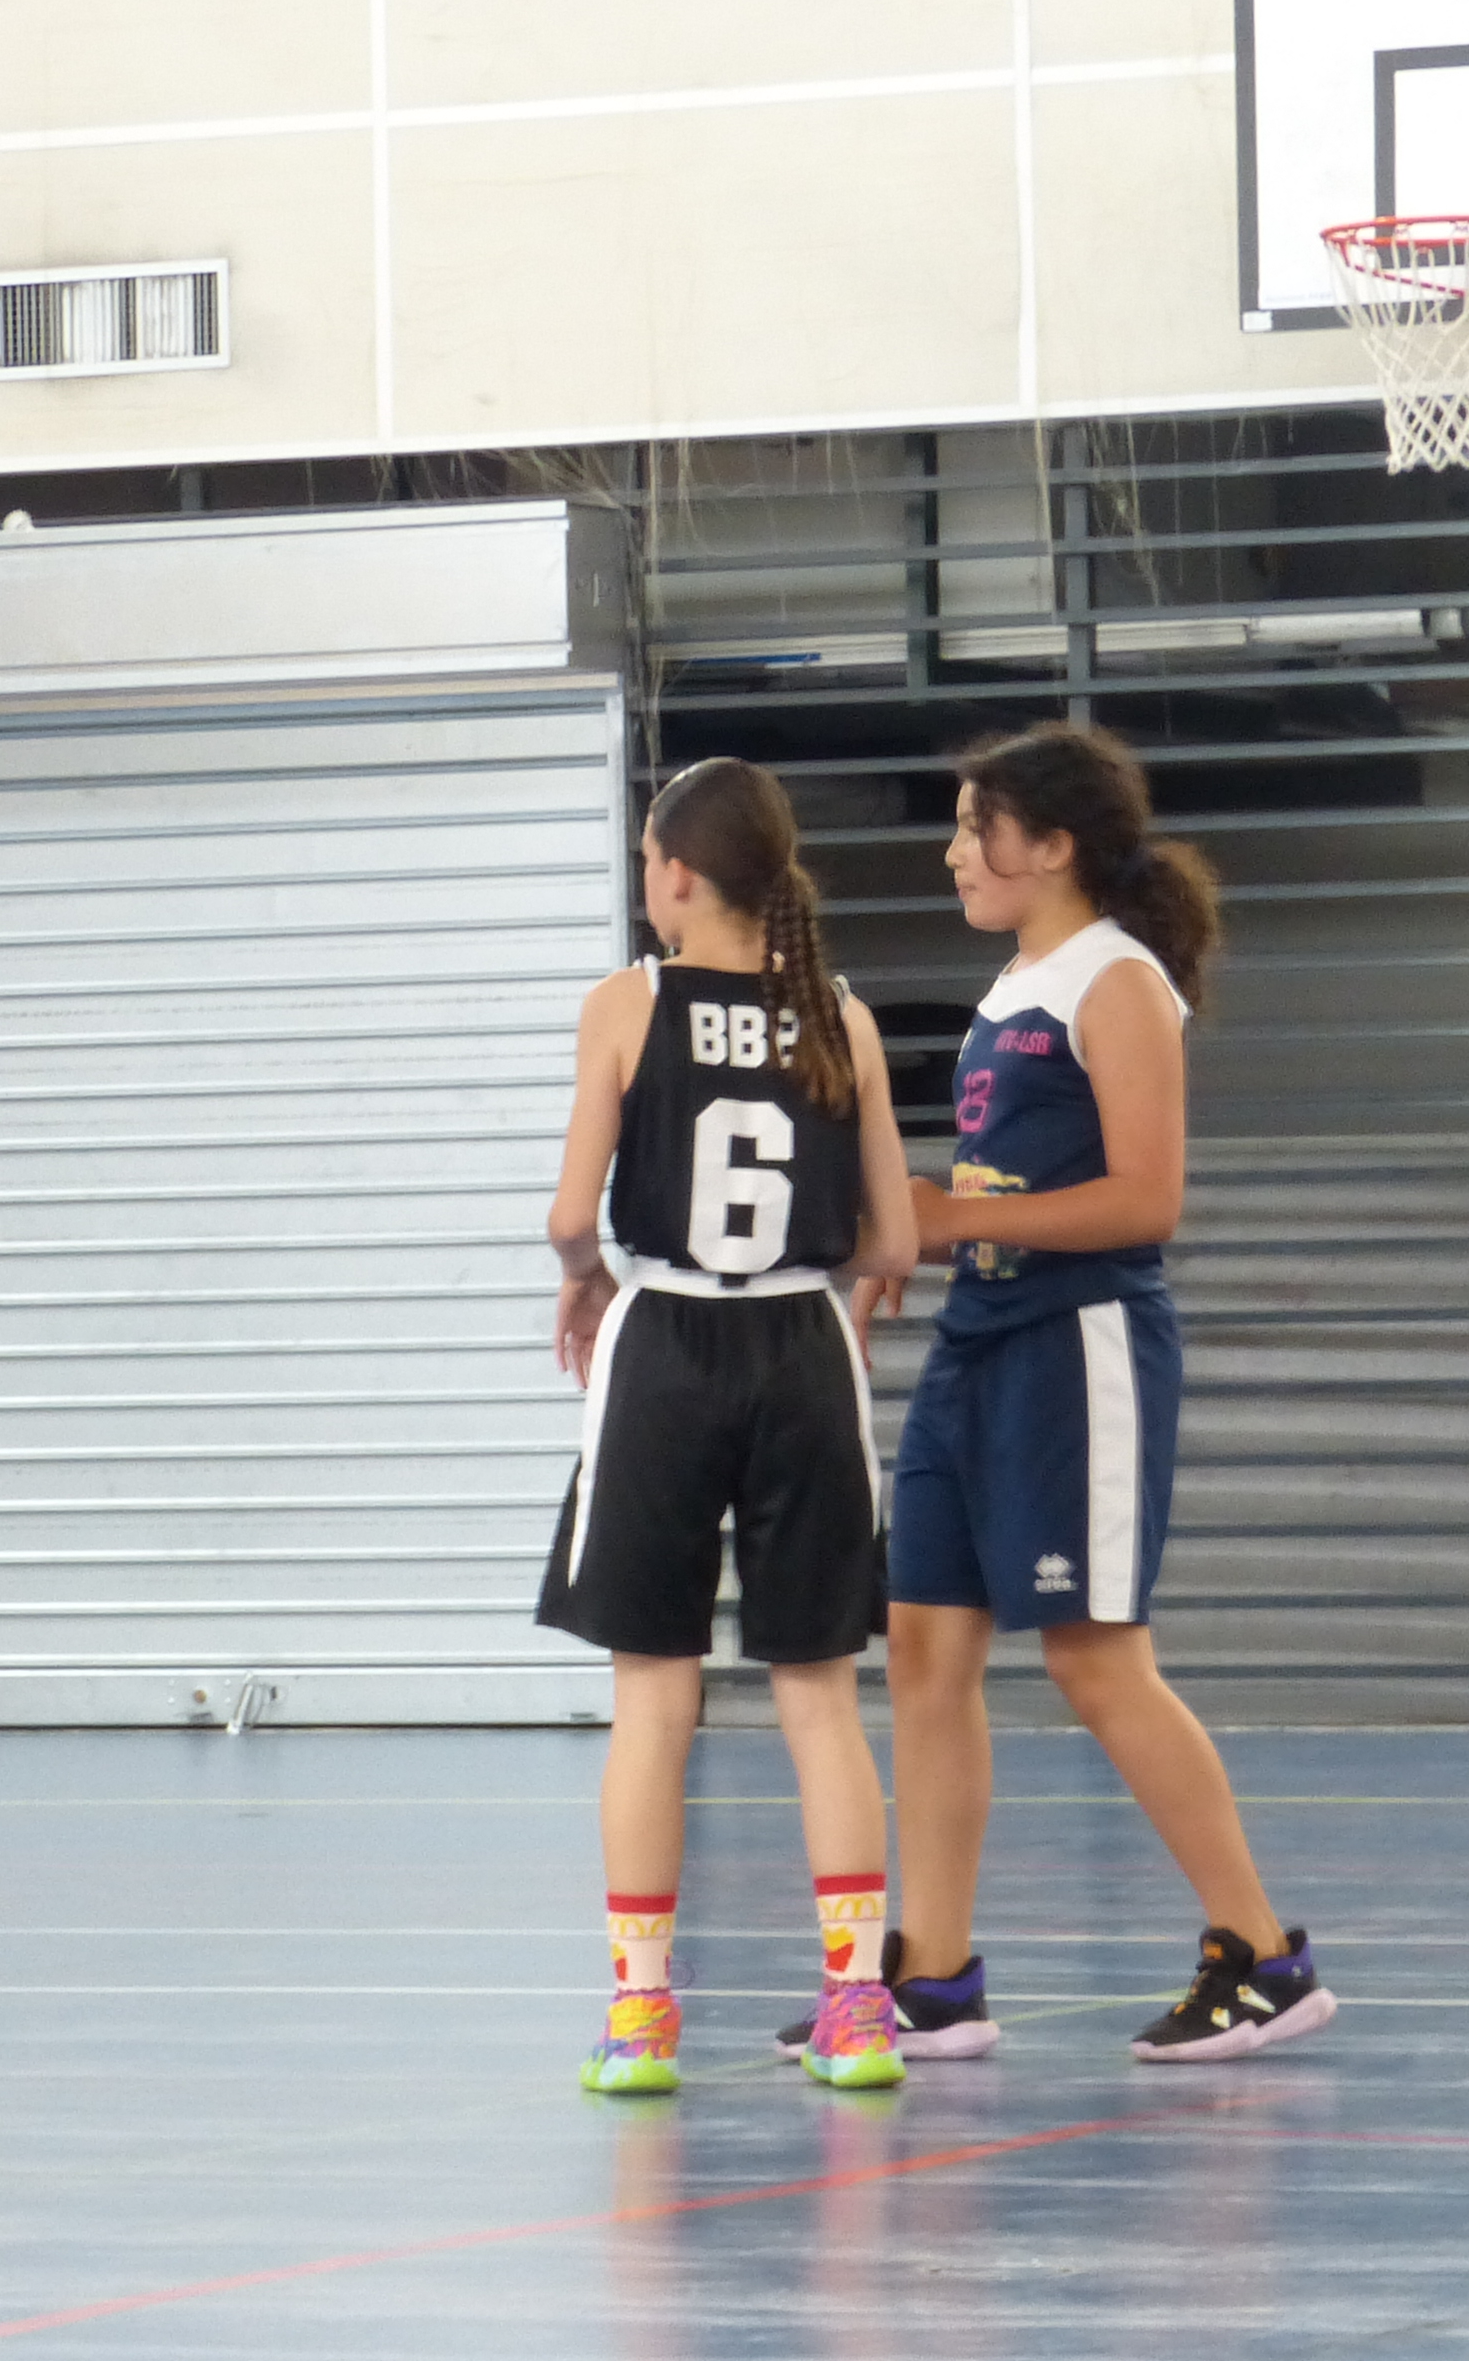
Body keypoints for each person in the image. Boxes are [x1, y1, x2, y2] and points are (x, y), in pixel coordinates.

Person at [831, 721, 1333, 2064]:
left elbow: (1145, 1200)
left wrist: (948, 1215)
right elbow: (1004, 1182)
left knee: (1095, 1658)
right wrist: (920, 1237)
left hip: (1080, 1345)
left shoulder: (1117, 979)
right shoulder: (1017, 984)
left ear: (1052, 845)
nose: (952, 853)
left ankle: (1261, 1954)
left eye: (974, 828)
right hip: (979, 1344)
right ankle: (935, 1975)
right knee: (924, 1650)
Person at [538, 759, 917, 2096]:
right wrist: (816, 1280)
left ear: (678, 876)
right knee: (821, 1698)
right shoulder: (841, 1014)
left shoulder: (626, 1005)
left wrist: (587, 1276)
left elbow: (570, 1215)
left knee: (654, 1700)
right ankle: (856, 2009)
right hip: (802, 1349)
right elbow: (894, 1240)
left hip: (665, 1346)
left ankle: (642, 2016)